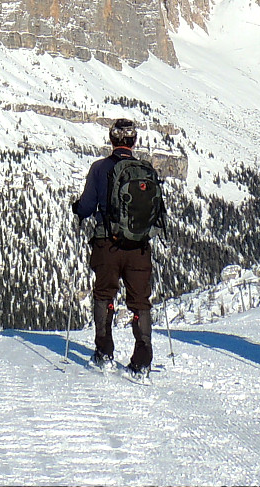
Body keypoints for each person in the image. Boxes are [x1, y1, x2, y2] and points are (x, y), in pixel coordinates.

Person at [73, 117, 155, 376]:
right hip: (139, 247)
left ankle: (104, 352)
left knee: (104, 295)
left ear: (111, 139)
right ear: (134, 141)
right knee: (140, 302)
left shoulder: (99, 169)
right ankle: (142, 361)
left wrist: (77, 208)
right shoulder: (146, 169)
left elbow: (86, 206)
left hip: (107, 244)